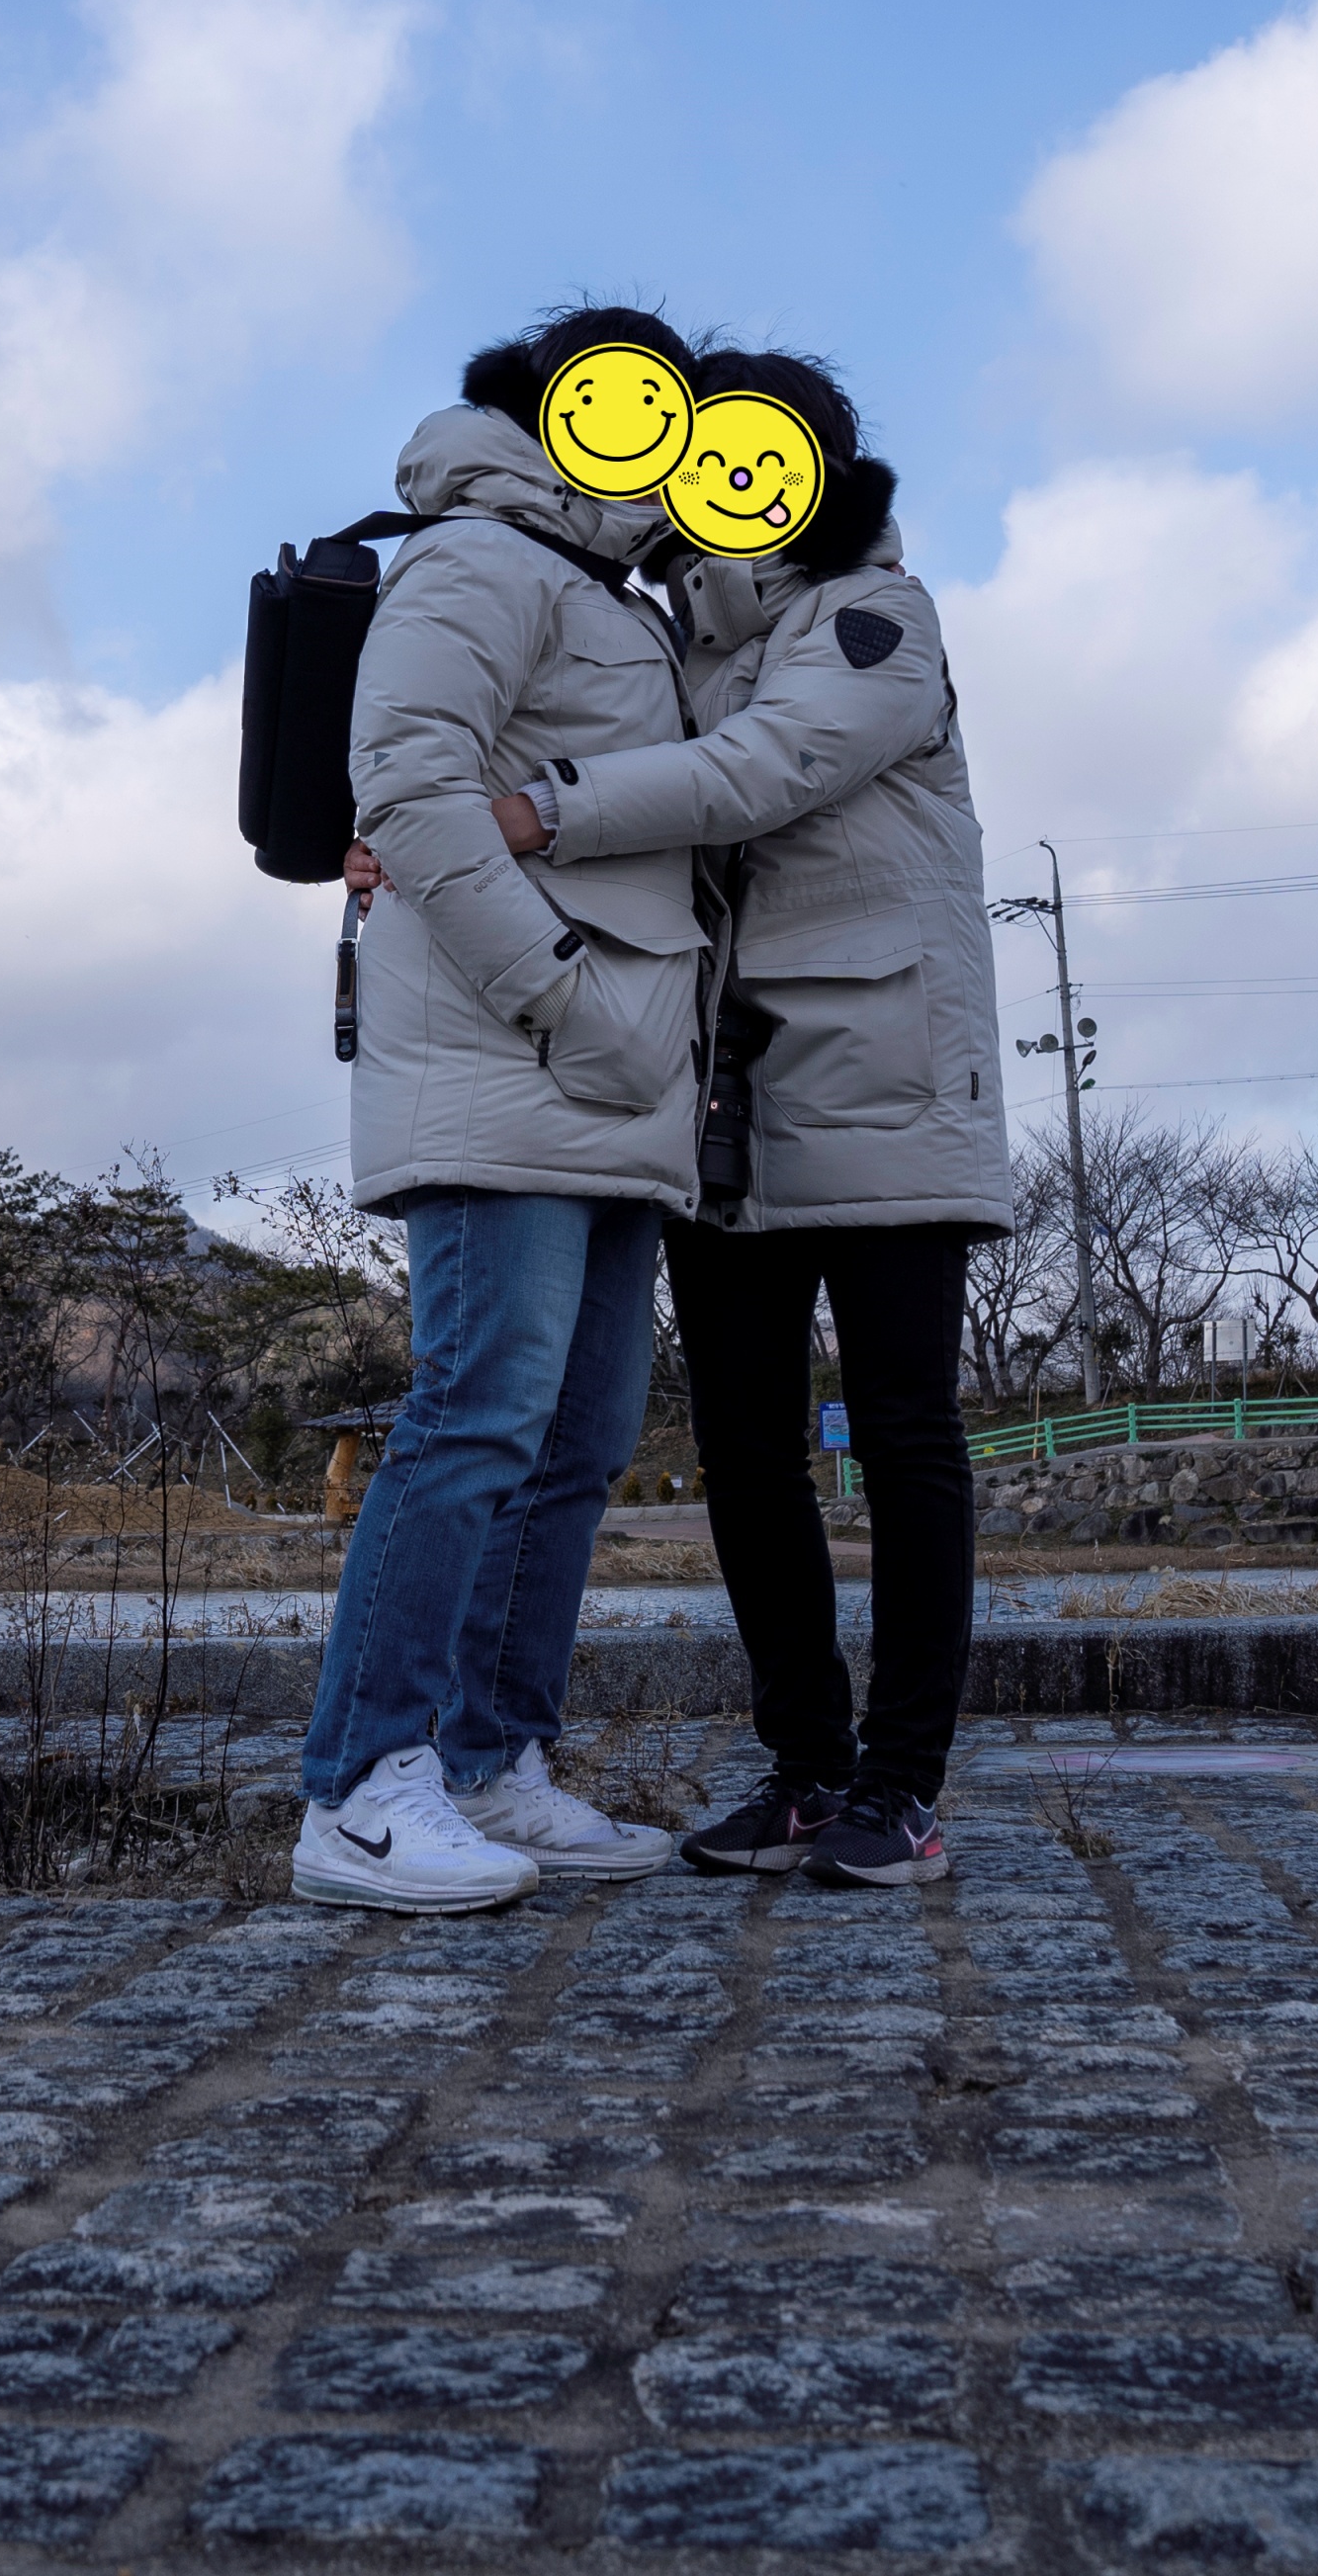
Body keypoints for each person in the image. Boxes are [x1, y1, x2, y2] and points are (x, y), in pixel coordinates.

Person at [391, 349, 1010, 1885]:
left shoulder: (874, 618)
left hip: (884, 1078)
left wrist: (537, 810)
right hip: (719, 1092)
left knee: (906, 1436)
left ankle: (902, 1787)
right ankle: (805, 1770)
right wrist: (406, 831)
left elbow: (761, 772)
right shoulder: (676, 640)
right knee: (742, 1449)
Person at [289, 303, 714, 1913]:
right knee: (474, 1421)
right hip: (510, 1054)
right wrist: (563, 997)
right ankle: (359, 1790)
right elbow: (408, 793)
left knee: (575, 1447)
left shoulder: (609, 590)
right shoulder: (479, 557)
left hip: (608, 1079)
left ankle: (489, 1765)